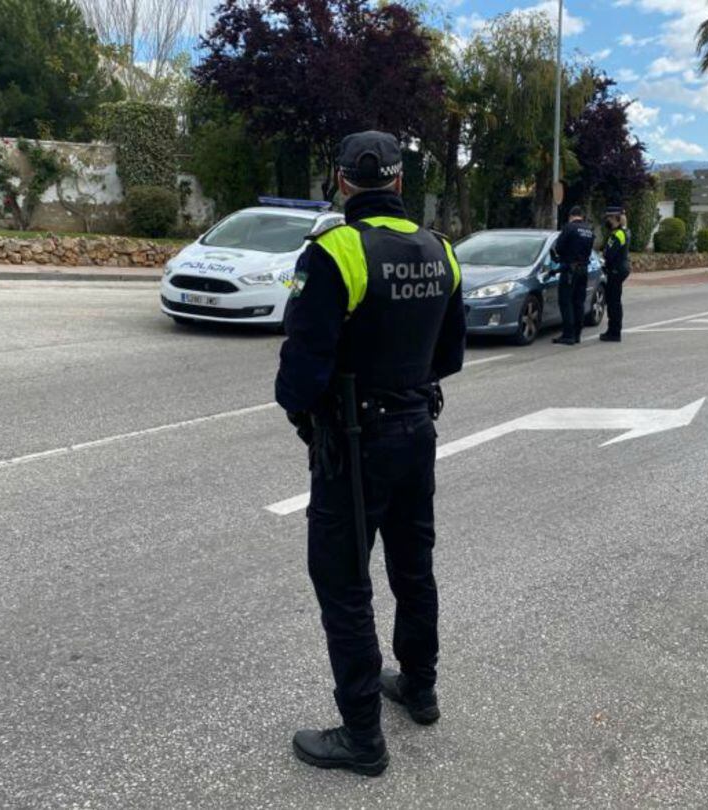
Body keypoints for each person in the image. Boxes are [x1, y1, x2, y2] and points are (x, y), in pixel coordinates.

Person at [275, 131, 467, 777]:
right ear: (400, 183)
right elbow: (450, 358)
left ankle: (362, 737)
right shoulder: (443, 251)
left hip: (355, 446)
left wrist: (316, 428)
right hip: (418, 434)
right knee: (414, 566)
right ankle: (420, 687)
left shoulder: (335, 251)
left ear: (341, 180)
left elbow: (297, 378)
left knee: (344, 585)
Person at [549, 206, 596, 345]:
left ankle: (568, 335)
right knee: (579, 302)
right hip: (584, 269)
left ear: (571, 216)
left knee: (566, 302)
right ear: (581, 215)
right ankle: (577, 334)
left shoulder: (569, 228)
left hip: (570, 270)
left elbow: (558, 248)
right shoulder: (589, 230)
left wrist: (562, 257)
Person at [600, 206, 630, 342]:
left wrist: (604, 257)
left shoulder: (617, 234)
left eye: (609, 218)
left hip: (615, 270)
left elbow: (609, 253)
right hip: (621, 268)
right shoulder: (625, 231)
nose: (607, 220)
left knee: (613, 302)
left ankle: (614, 332)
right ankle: (614, 330)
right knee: (616, 301)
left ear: (616, 218)